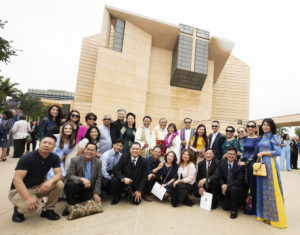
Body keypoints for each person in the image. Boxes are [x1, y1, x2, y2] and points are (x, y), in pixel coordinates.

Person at [8, 135, 64, 222]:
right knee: (31, 209)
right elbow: (17, 180)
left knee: (59, 184)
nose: (46, 145)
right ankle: (18, 210)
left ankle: (47, 209)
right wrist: (27, 198)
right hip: (20, 189)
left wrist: (50, 182)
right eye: (44, 142)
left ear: (54, 147)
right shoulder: (27, 158)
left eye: (50, 143)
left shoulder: (54, 157)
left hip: (39, 186)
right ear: (40, 143)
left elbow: (59, 174)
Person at [256, 118, 287, 228]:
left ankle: (274, 218)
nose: (265, 127)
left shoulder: (275, 137)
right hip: (261, 164)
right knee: (262, 190)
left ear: (271, 127)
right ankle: (263, 215)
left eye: (268, 125)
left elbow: (277, 152)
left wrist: (263, 152)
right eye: (264, 125)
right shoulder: (262, 136)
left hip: (270, 165)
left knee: (271, 190)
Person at [63, 143, 102, 216]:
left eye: (92, 150)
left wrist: (96, 193)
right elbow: (69, 175)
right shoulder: (75, 160)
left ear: (96, 152)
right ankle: (71, 206)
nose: (89, 152)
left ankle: (77, 203)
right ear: (84, 149)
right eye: (88, 149)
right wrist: (81, 179)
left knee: (92, 203)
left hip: (89, 187)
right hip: (77, 185)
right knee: (70, 185)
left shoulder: (98, 162)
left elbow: (98, 178)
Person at [239, 121, 260, 215]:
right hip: (243, 162)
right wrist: (240, 159)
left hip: (251, 163)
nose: (250, 128)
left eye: (252, 126)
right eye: (248, 126)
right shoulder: (246, 138)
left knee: (251, 185)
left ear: (255, 128)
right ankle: (242, 203)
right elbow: (244, 151)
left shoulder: (257, 139)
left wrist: (245, 163)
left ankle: (251, 208)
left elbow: (255, 154)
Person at [219, 147, 245, 219]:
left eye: (233, 154)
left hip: (236, 189)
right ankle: (230, 202)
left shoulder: (239, 166)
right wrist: (222, 185)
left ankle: (234, 210)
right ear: (226, 154)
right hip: (226, 189)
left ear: (236, 156)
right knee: (225, 207)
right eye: (229, 153)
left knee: (234, 188)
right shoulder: (222, 164)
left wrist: (226, 186)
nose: (230, 155)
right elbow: (220, 177)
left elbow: (238, 181)